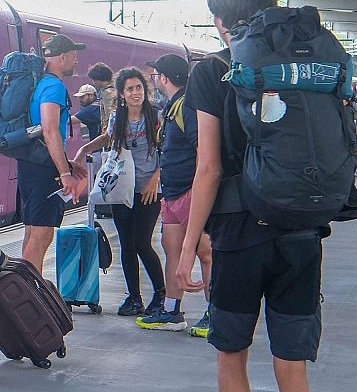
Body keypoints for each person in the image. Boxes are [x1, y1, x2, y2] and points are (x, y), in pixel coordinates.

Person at [176, 0, 322, 392]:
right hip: (301, 231)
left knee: (231, 354)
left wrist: (188, 245)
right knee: (292, 369)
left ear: (220, 21)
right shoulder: (304, 64)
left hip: (239, 234)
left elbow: (209, 167)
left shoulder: (211, 70)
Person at [75, 68, 165, 318]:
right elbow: (108, 138)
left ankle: (160, 294)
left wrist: (155, 180)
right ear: (122, 94)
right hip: (122, 187)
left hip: (148, 189)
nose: (136, 93)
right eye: (130, 89)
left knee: (142, 242)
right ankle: (134, 297)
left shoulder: (156, 115)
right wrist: (83, 150)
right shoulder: (118, 117)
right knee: (126, 242)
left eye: (139, 88)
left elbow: (168, 149)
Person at [142, 54, 212, 336]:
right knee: (171, 248)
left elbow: (202, 149)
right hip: (171, 194)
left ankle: (216, 312)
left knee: (205, 251)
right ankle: (172, 311)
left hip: (188, 191)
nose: (154, 80)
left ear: (164, 78)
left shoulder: (187, 106)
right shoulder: (172, 107)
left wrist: (199, 190)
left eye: (156, 75)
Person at [19, 34, 88, 273]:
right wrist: (64, 173)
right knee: (42, 233)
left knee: (32, 230)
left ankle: (28, 285)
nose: (75, 61)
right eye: (73, 56)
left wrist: (66, 163)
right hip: (43, 169)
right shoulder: (54, 86)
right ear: (62, 57)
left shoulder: (40, 83)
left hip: (31, 163)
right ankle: (30, 290)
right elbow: (49, 129)